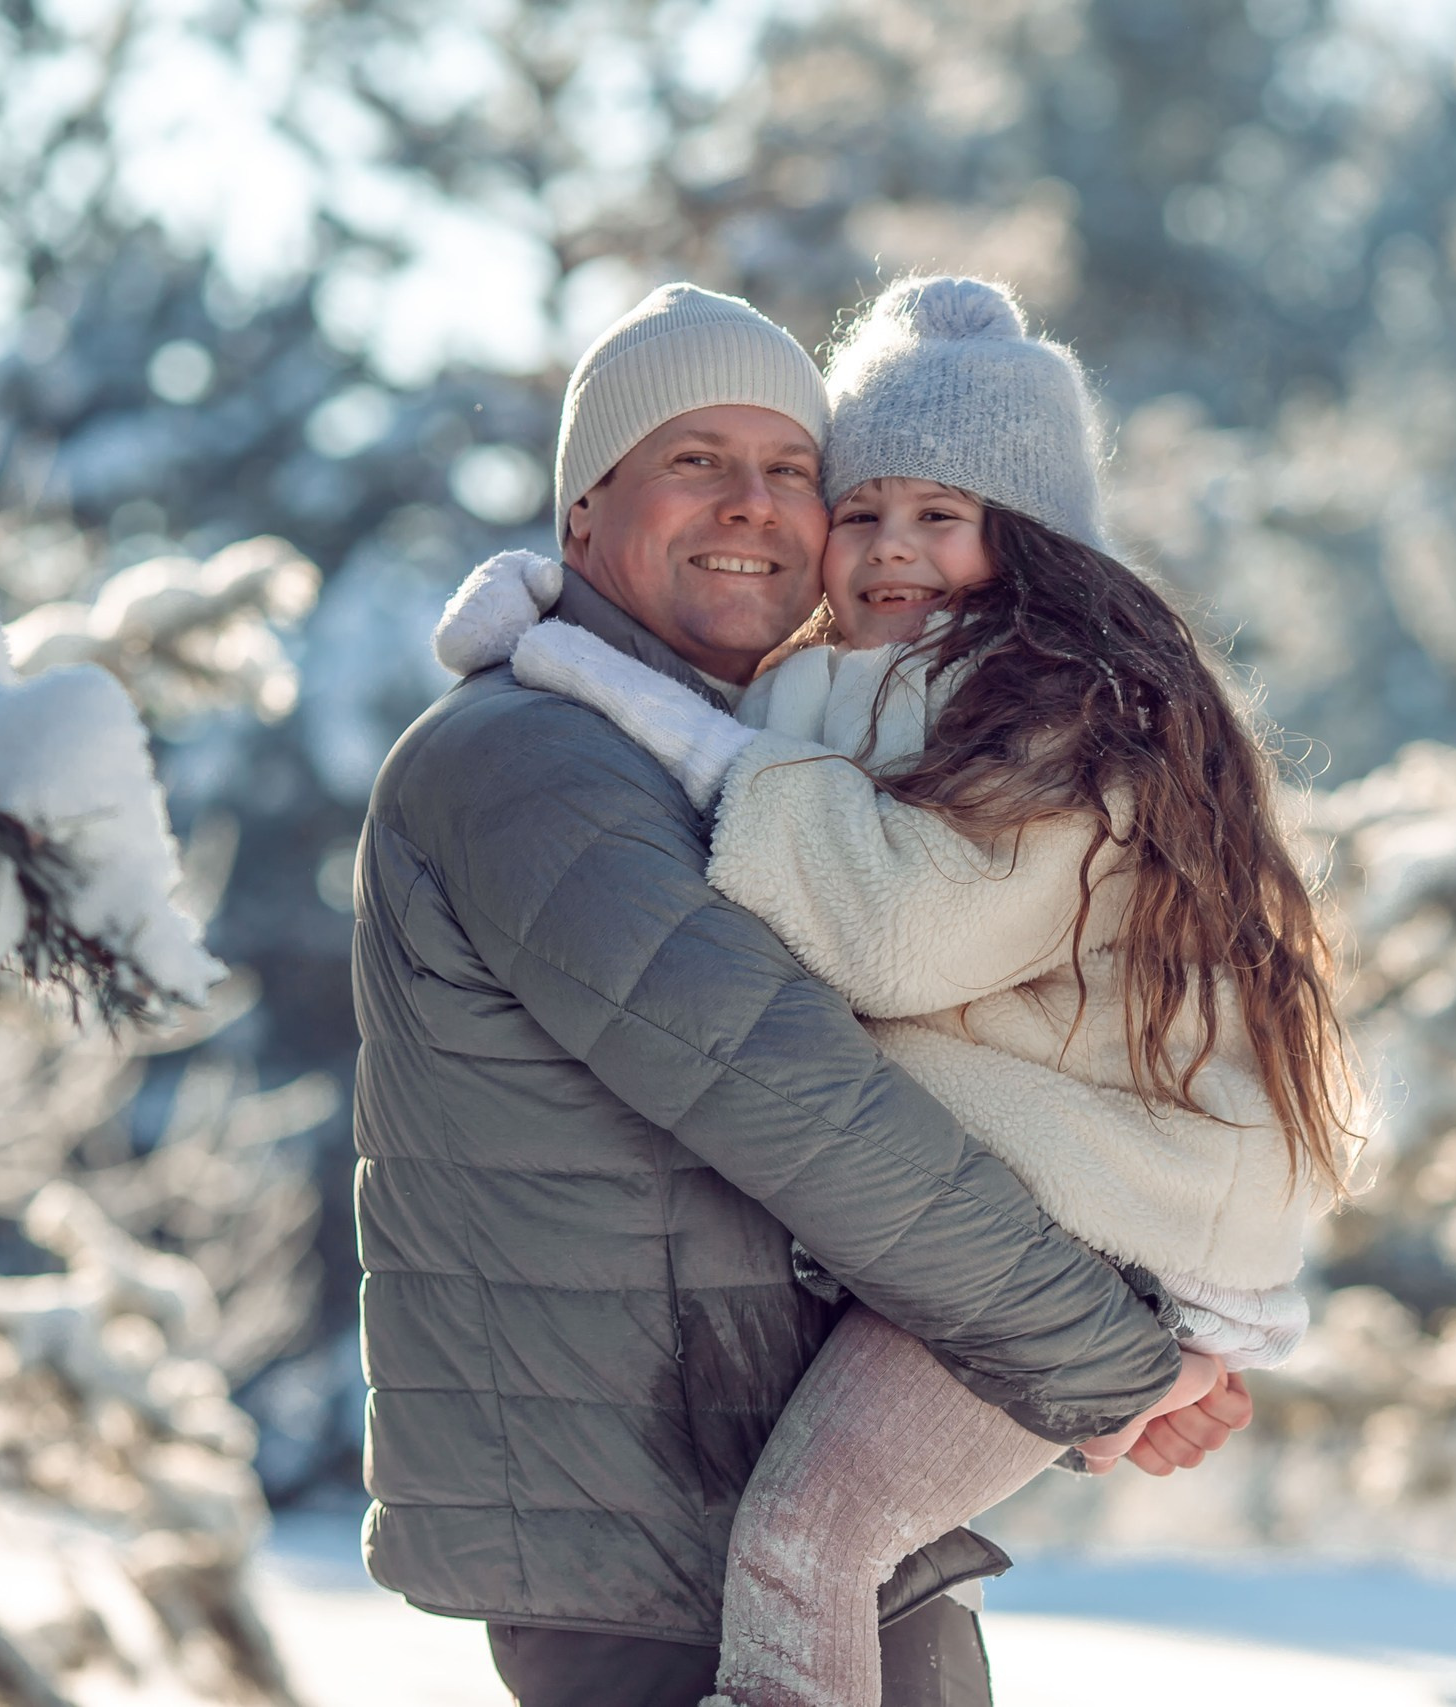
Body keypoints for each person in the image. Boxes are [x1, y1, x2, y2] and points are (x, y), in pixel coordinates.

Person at [439, 275, 1360, 1707]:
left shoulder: (1070, 712)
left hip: (1119, 1199)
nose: (888, 548)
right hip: (1015, 1203)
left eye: (942, 516)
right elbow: (710, 741)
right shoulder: (846, 691)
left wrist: (1131, 1354)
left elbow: (889, 941)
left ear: (1033, 540)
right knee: (824, 1542)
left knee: (814, 1540)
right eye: (861, 511)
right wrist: (555, 622)